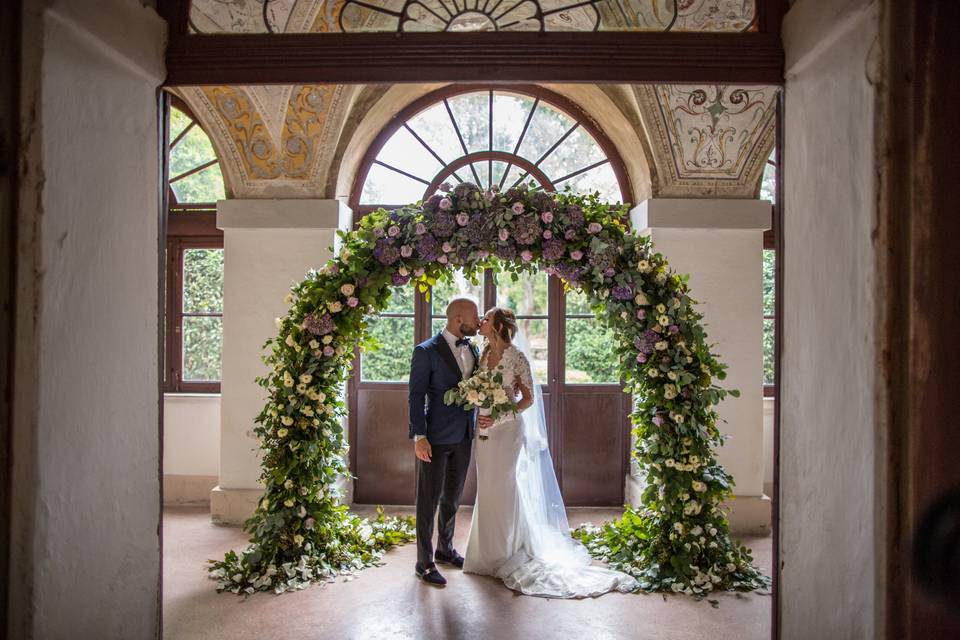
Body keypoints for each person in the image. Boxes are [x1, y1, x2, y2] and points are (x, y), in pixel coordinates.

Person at [463, 306, 638, 598]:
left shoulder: (516, 357)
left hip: (506, 431)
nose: (480, 321)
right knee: (488, 486)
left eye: (486, 319)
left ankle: (506, 551)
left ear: (497, 326)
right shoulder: (481, 354)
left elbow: (528, 399)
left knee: (503, 485)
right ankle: (485, 552)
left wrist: (499, 415)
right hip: (483, 429)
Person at [407, 297, 481, 586]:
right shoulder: (426, 351)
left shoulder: (473, 348)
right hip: (434, 438)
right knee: (428, 501)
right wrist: (420, 435)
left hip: (464, 435)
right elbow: (415, 395)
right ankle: (424, 562)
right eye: (475, 317)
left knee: (452, 497)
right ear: (458, 319)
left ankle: (445, 549)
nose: (478, 323)